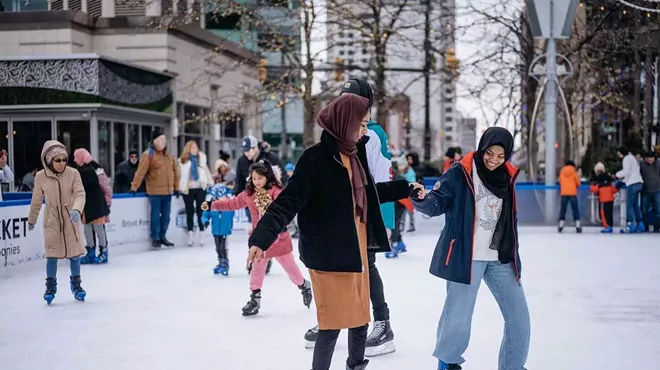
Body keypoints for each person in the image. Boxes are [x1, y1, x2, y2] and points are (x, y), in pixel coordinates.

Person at [247, 93, 413, 370]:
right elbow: (287, 202)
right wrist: (261, 237)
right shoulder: (315, 160)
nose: (365, 132)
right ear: (344, 123)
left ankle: (355, 366)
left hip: (356, 248)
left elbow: (369, 193)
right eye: (361, 125)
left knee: (361, 320)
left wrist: (405, 188)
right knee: (332, 326)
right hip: (327, 254)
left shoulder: (354, 155)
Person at [412, 127, 530, 370]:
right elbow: (437, 203)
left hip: (500, 257)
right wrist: (422, 199)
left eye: (501, 155)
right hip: (468, 256)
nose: (494, 160)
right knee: (458, 320)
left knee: (520, 320)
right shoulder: (460, 172)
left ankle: (513, 367)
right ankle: (448, 364)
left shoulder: (507, 176)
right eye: (490, 153)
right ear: (482, 147)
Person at [303, 78, 398, 358]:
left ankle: (382, 322)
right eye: (342, 97)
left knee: (365, 266)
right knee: (339, 267)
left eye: (352, 97)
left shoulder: (371, 133)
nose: (345, 103)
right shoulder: (338, 133)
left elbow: (376, 180)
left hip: (365, 213)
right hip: (341, 216)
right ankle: (331, 319)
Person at [206, 160, 312, 316]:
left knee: (291, 269)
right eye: (254, 178)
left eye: (260, 178)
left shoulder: (276, 192)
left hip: (278, 237)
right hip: (259, 240)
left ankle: (304, 285)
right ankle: (255, 298)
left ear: (268, 177)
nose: (257, 182)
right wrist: (212, 205)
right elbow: (233, 204)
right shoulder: (249, 194)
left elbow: (286, 210)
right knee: (257, 269)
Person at [28, 140, 88, 305]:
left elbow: (80, 194)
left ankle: (77, 286)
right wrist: (32, 219)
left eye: (64, 159)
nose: (62, 163)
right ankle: (50, 287)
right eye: (58, 160)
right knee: (52, 255)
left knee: (75, 255)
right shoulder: (40, 176)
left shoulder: (73, 173)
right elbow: (36, 200)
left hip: (71, 219)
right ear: (49, 160)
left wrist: (76, 209)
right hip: (52, 220)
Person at [131, 130, 180, 248]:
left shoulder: (169, 156)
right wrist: (134, 186)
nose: (163, 142)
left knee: (166, 216)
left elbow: (176, 172)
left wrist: (176, 187)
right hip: (155, 192)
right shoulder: (149, 154)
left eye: (164, 140)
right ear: (154, 141)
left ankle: (163, 236)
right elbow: (140, 172)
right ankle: (156, 238)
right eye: (160, 140)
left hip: (168, 192)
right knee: (155, 215)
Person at [73, 149, 112, 264]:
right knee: (87, 229)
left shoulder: (90, 170)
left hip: (96, 206)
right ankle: (90, 252)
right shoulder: (81, 170)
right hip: (87, 207)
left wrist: (107, 204)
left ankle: (103, 252)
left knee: (99, 229)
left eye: (76, 157)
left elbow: (103, 188)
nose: (75, 160)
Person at [178, 140, 213, 246]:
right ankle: (190, 234)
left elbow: (206, 171)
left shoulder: (201, 160)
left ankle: (202, 233)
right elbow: (179, 174)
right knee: (189, 211)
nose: (194, 150)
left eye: (195, 147)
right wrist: (179, 185)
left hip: (200, 188)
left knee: (200, 211)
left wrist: (210, 181)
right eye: (191, 148)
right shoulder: (182, 161)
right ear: (188, 149)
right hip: (187, 189)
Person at [201, 180, 235, 275]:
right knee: (217, 247)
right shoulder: (211, 205)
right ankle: (220, 262)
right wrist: (205, 221)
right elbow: (205, 214)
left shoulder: (229, 205)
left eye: (222, 196)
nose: (220, 199)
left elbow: (236, 202)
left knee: (222, 247)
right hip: (215, 230)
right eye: (218, 197)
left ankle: (225, 263)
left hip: (225, 230)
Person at [386, 156, 414, 259]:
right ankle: (399, 243)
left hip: (399, 203)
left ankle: (394, 246)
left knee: (393, 224)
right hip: (400, 203)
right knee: (395, 224)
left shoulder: (399, 178)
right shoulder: (399, 177)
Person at [616, 146, 645, 233]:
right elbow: (632, 172)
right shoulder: (632, 158)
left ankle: (630, 224)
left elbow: (627, 171)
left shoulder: (626, 159)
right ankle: (640, 224)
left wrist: (617, 175)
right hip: (639, 182)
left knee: (629, 204)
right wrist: (624, 180)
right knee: (636, 204)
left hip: (632, 183)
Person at [590, 162, 617, 233]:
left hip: (603, 199)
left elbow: (593, 189)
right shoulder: (609, 178)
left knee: (604, 214)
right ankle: (610, 226)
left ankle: (607, 226)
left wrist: (595, 186)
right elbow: (614, 189)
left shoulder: (597, 179)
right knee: (609, 213)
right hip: (610, 198)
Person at [557, 160, 582, 233]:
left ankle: (561, 224)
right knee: (575, 209)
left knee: (563, 209)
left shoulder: (562, 171)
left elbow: (560, 181)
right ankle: (577, 225)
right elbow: (578, 183)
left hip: (564, 193)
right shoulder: (574, 172)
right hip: (572, 193)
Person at [639, 152, 660, 232]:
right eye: (648, 158)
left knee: (658, 210)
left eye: (652, 158)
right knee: (644, 210)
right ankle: (646, 227)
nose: (650, 160)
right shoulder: (641, 164)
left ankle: (657, 227)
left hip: (657, 190)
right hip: (645, 190)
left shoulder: (658, 163)